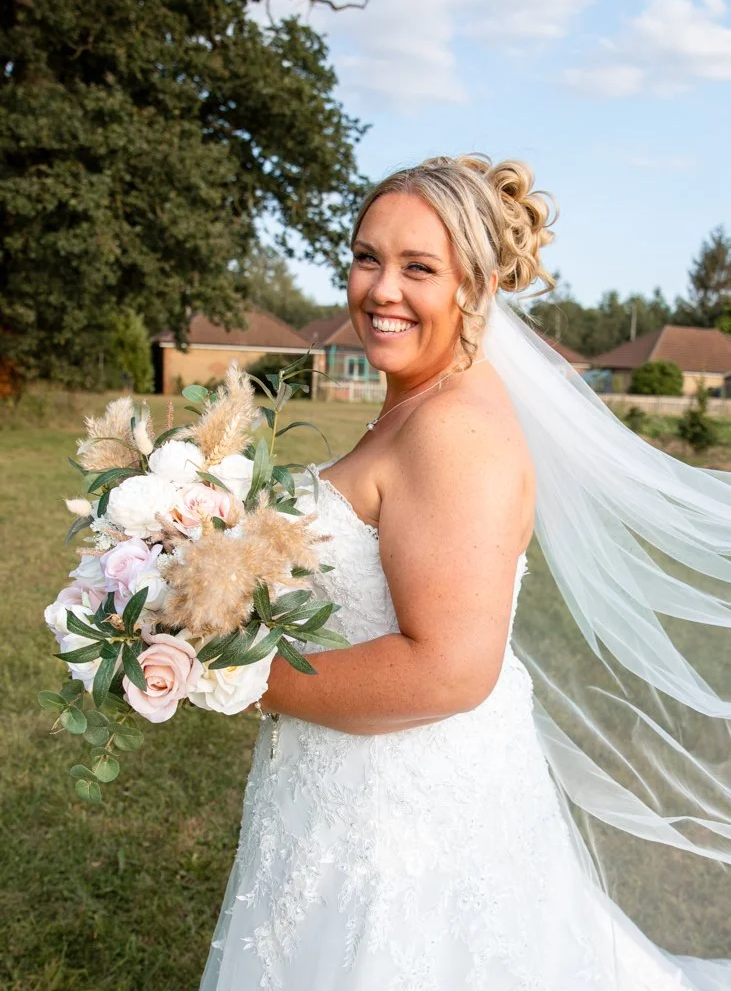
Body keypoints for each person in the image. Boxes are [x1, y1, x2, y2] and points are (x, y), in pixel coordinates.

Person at [200, 155, 731, 990]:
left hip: (407, 818)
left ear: (474, 288)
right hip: (351, 785)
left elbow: (447, 670)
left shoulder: (456, 433)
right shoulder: (411, 404)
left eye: (419, 268)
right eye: (366, 256)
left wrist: (232, 675)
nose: (380, 289)